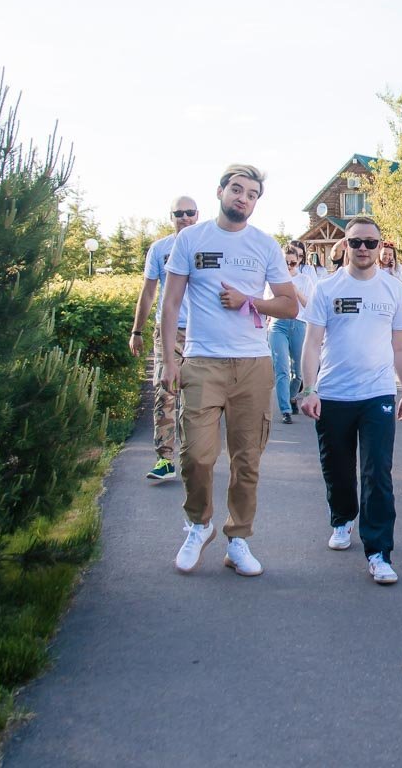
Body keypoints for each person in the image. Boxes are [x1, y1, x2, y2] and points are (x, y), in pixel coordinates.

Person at [160, 164, 300, 577]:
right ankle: (198, 525)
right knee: (196, 456)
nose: (243, 198)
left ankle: (238, 539)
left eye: (252, 194)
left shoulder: (264, 245)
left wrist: (248, 301)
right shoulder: (191, 239)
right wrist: (169, 360)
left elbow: (290, 305)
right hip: (202, 361)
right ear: (220, 191)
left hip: (253, 364)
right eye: (237, 189)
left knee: (247, 459)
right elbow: (170, 303)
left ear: (256, 202)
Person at [298, 216, 402, 586]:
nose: (363, 248)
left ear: (381, 247)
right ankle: (342, 517)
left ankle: (379, 552)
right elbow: (312, 343)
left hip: (377, 393)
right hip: (334, 393)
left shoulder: (393, 289)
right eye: (355, 242)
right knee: (338, 467)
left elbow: (400, 346)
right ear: (344, 246)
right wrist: (309, 388)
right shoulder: (326, 288)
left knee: (377, 472)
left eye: (370, 242)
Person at [128, 195, 198, 481]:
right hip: (167, 331)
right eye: (178, 213)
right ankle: (164, 459)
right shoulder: (159, 249)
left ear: (198, 215)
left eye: (190, 212)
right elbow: (148, 292)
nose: (184, 217)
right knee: (164, 392)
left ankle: (193, 459)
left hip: (200, 332)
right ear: (171, 217)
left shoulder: (207, 244)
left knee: (196, 398)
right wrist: (137, 331)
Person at [269, 241, 315, 424]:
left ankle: (291, 397)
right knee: (282, 369)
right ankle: (285, 409)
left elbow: (309, 307)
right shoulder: (273, 279)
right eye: (285, 263)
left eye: (292, 263)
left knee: (298, 372)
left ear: (299, 261)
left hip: (298, 323)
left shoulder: (304, 280)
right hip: (278, 324)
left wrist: (295, 291)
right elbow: (267, 302)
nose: (288, 266)